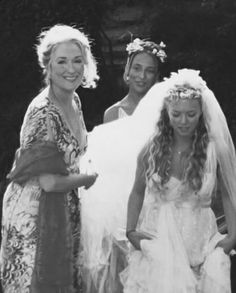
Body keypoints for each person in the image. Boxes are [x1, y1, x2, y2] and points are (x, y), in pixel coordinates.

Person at [0, 24, 98, 293]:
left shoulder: (74, 99)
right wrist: (88, 179)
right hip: (36, 216)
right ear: (48, 66)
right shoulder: (43, 113)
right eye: (62, 61)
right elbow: (49, 183)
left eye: (77, 61)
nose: (71, 69)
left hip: (65, 207)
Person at [120, 69, 236, 292]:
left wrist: (233, 236)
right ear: (167, 113)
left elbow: (229, 193)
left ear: (201, 113)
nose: (184, 121)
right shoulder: (151, 149)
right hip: (158, 242)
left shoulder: (214, 151)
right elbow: (136, 191)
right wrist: (130, 231)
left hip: (201, 244)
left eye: (191, 114)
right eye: (176, 114)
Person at [103, 38, 167, 123]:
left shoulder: (166, 111)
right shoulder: (112, 114)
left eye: (149, 71)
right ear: (128, 70)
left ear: (156, 77)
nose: (142, 76)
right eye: (137, 68)